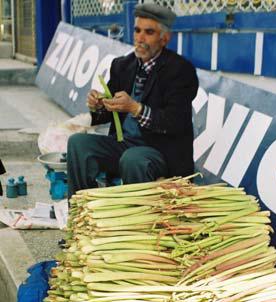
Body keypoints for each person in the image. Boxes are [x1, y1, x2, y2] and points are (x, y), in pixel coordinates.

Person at [67, 3, 199, 199]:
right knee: (78, 143)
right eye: (137, 31)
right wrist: (97, 105)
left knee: (133, 158)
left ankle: (135, 224)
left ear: (164, 38)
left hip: (160, 152)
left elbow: (174, 121)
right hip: (123, 145)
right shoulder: (122, 65)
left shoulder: (180, 70)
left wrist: (135, 108)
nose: (140, 38)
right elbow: (106, 112)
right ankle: (83, 211)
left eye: (149, 32)